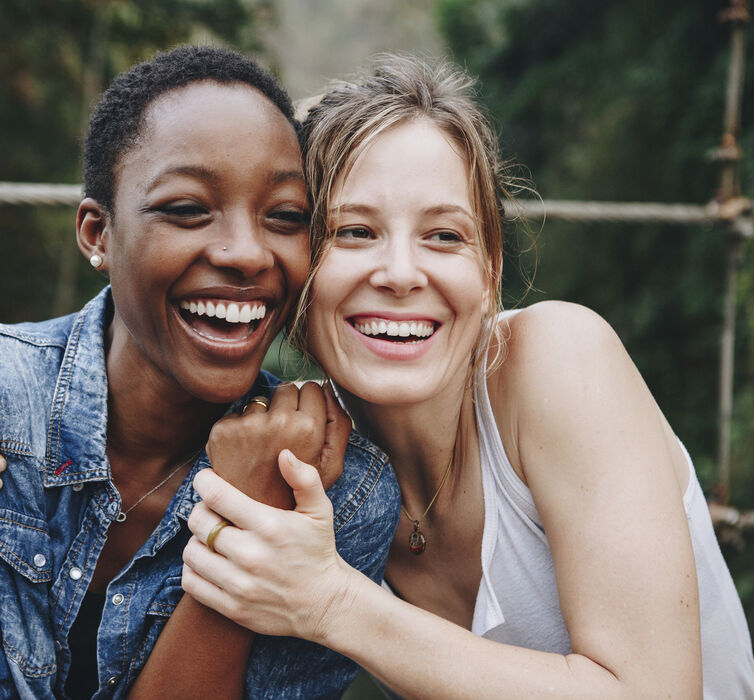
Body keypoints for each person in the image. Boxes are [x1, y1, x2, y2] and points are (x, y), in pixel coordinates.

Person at [180, 55, 754, 699]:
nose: (400, 272)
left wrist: (334, 604)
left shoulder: (557, 357)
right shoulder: (322, 471)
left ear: (490, 270)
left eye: (444, 236)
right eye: (355, 231)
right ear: (299, 272)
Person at [0, 45, 402, 699]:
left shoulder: (342, 494)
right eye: (186, 209)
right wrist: (243, 522)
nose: (247, 253)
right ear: (97, 234)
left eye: (285, 218)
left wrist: (254, 511)